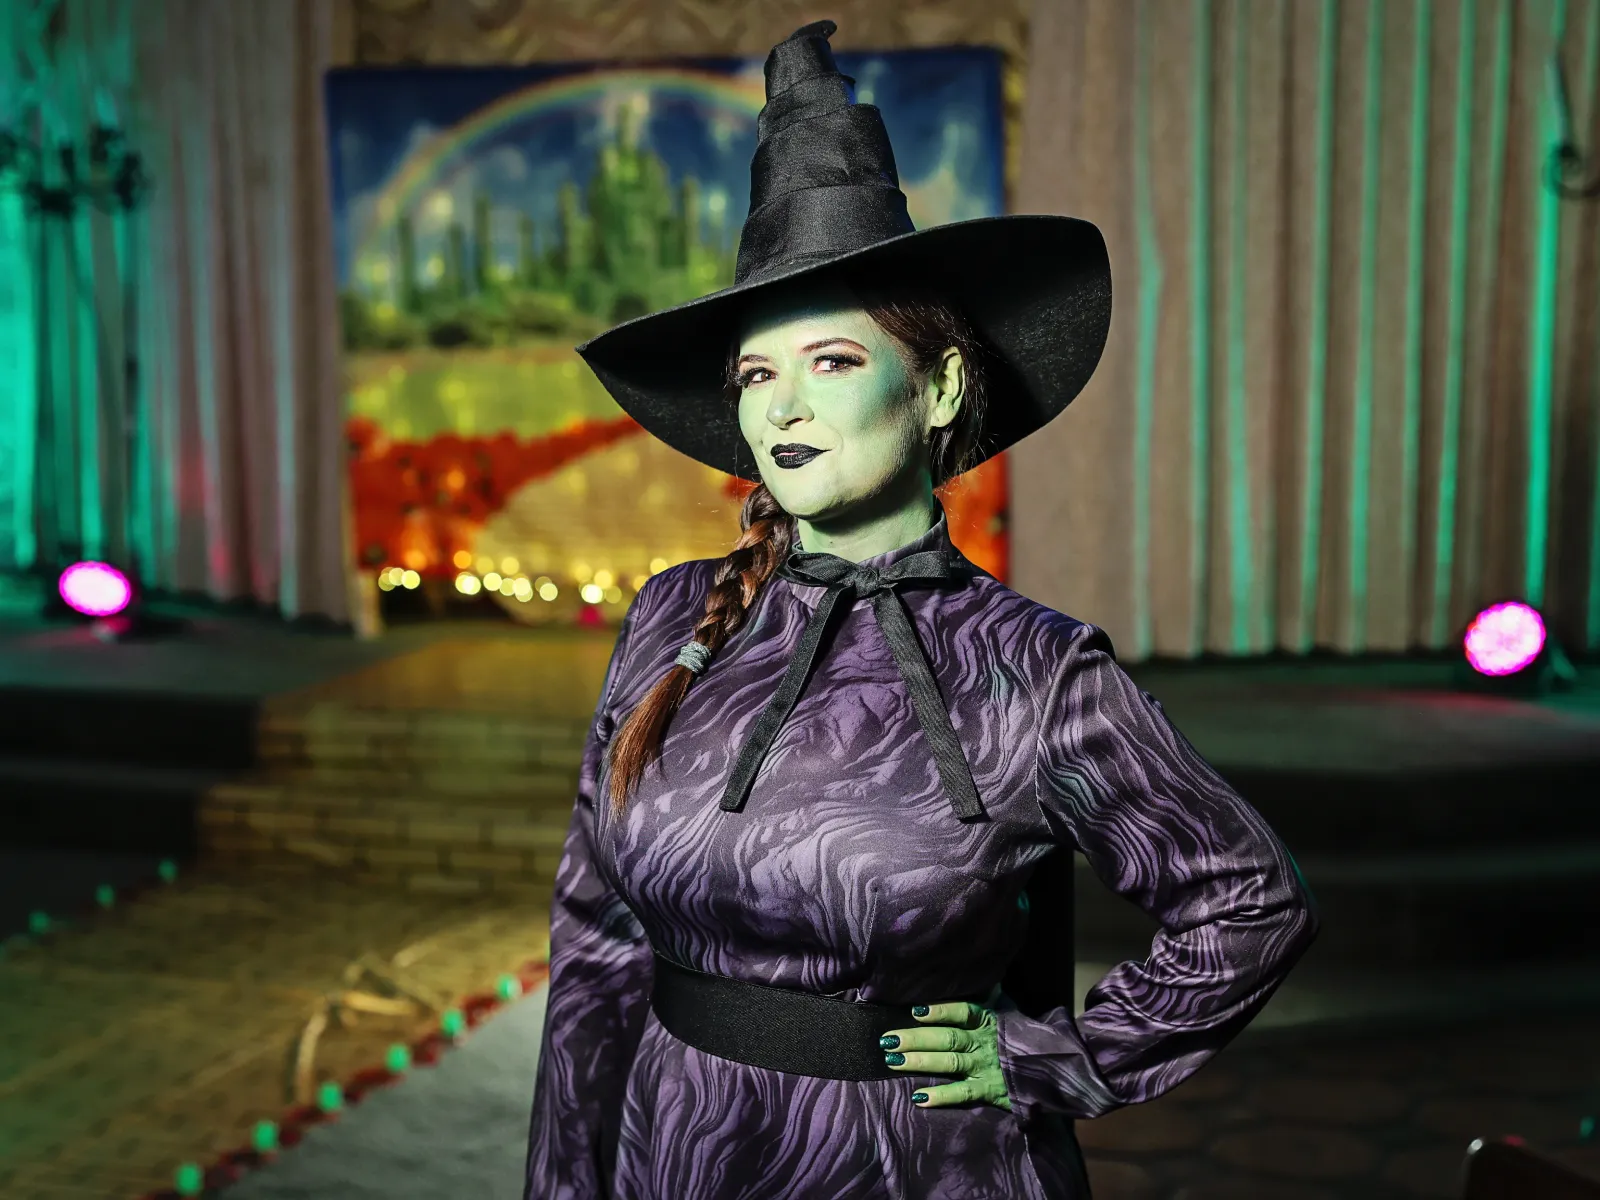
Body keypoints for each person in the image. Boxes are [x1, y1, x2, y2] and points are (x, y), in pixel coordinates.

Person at [524, 20, 1318, 1200]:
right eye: (755, 374)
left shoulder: (1032, 669)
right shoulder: (676, 617)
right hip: (673, 1144)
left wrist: (1061, 1056)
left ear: (938, 384)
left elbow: (1244, 900)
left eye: (833, 362)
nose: (782, 408)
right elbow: (595, 939)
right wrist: (566, 1178)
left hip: (917, 1165)